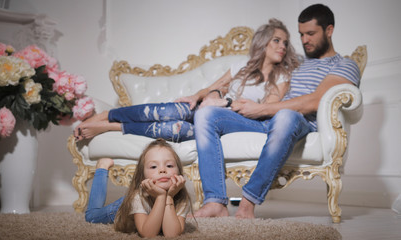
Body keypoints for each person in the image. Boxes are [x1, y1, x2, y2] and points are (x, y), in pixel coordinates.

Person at [192, 3, 361, 218]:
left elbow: (316, 101)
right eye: (301, 34)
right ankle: (215, 201)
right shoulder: (294, 61)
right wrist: (212, 94)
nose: (304, 40)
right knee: (206, 115)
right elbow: (252, 68)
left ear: (329, 30)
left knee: (285, 116)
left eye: (310, 34)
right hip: (264, 121)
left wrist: (261, 108)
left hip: (297, 122)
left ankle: (247, 203)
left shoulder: (344, 64)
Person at [73, 18, 300, 143]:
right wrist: (197, 96)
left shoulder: (281, 76)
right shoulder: (241, 66)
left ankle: (111, 127)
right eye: (277, 40)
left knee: (177, 129)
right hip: (209, 107)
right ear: (263, 42)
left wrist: (226, 104)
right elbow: (211, 89)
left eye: (285, 43)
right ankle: (105, 115)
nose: (282, 46)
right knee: (169, 112)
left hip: (226, 119)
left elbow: (266, 109)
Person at [85, 139, 192, 238]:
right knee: (91, 216)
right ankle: (101, 169)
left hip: (168, 197)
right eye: (154, 167)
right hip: (121, 208)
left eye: (169, 165)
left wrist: (169, 197)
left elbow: (172, 234)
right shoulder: (137, 197)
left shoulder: (181, 198)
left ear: (179, 172)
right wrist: (160, 196)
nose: (163, 170)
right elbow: (148, 233)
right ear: (143, 176)